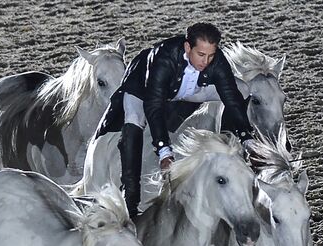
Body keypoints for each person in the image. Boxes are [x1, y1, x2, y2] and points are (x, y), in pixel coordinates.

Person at [95, 22, 254, 219]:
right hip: (143, 89)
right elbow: (153, 106)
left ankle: (229, 151)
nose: (206, 62)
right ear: (188, 47)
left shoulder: (217, 62)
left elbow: (232, 97)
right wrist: (164, 151)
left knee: (243, 90)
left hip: (188, 88)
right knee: (134, 119)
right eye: (201, 55)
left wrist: (248, 139)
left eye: (211, 55)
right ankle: (130, 198)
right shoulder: (163, 58)